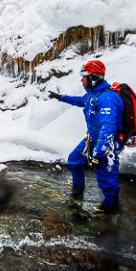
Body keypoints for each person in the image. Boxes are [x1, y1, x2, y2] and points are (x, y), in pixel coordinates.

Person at [49, 59, 124, 212]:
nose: (81, 80)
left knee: (106, 180)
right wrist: (60, 97)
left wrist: (98, 153)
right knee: (74, 161)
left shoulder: (107, 98)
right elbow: (80, 101)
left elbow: (108, 129)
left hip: (107, 144)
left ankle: (111, 212)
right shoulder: (92, 94)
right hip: (92, 139)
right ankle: (77, 192)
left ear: (93, 78)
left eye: (84, 77)